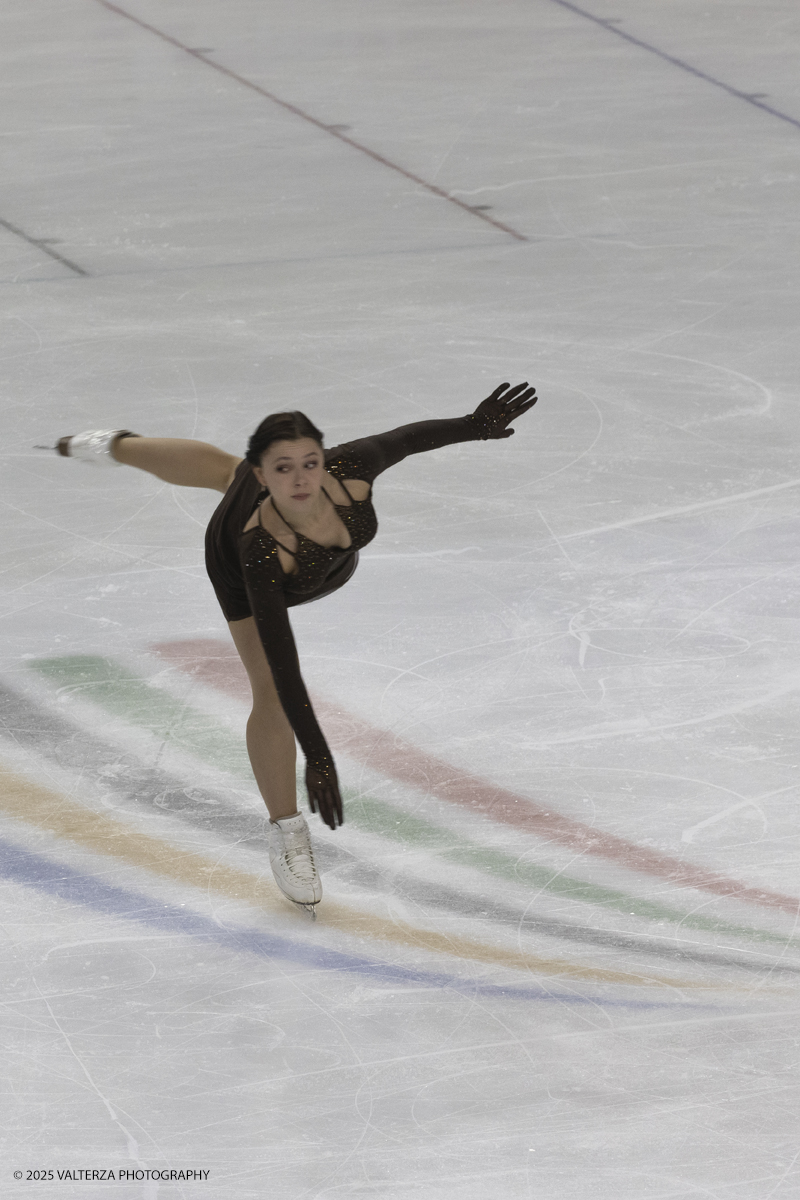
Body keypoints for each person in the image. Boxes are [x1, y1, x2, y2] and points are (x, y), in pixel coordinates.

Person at [52, 382, 537, 914]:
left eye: (311, 462)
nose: (303, 478)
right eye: (283, 468)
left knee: (223, 471)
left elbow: (407, 438)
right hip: (245, 576)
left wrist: (474, 426)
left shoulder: (350, 467)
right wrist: (320, 756)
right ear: (266, 475)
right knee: (270, 692)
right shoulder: (258, 550)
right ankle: (286, 829)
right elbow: (285, 668)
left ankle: (113, 445)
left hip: (325, 568)